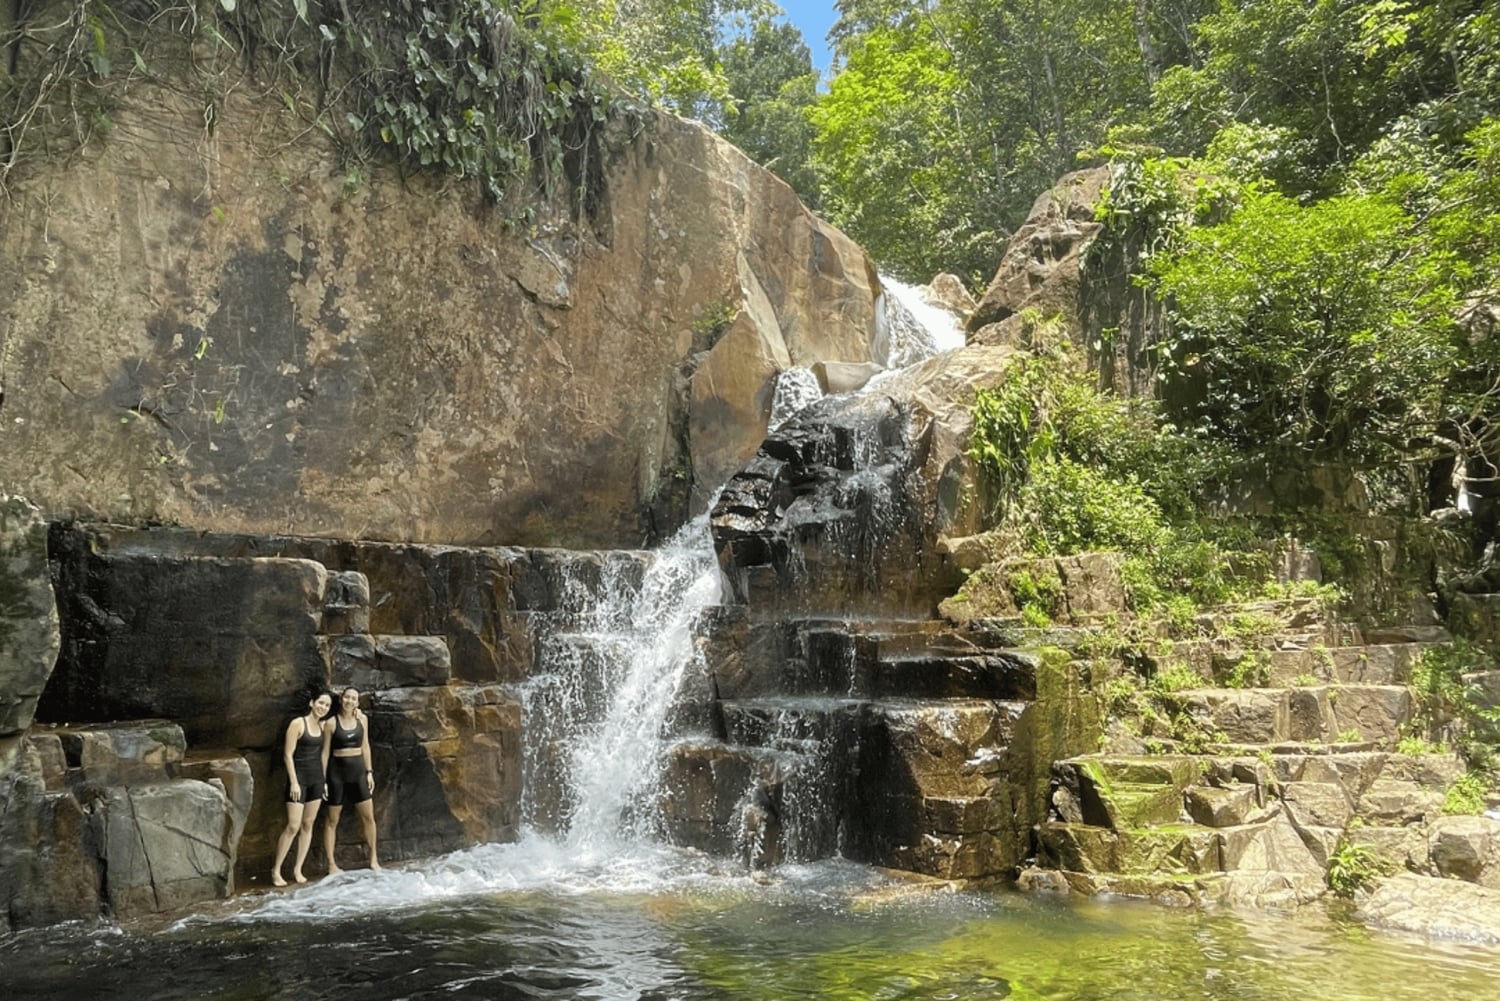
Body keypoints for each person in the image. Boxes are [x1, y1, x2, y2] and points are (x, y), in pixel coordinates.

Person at [271, 688, 333, 887]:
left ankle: (298, 868)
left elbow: (346, 718)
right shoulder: (298, 723)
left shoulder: (324, 726)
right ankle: (276, 870)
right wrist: (295, 782)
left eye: (327, 705)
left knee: (308, 824)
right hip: (298, 780)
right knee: (293, 825)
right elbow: (288, 755)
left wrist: (323, 781)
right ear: (312, 703)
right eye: (320, 703)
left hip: (316, 779)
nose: (323, 707)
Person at [322, 686, 380, 872]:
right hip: (336, 774)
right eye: (347, 697)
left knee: (369, 817)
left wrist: (369, 772)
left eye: (354, 699)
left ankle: (373, 859)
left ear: (357, 702)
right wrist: (323, 780)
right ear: (341, 699)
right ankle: (331, 864)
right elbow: (325, 753)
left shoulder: (362, 719)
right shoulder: (331, 723)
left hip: (358, 773)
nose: (349, 701)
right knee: (332, 820)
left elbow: (366, 747)